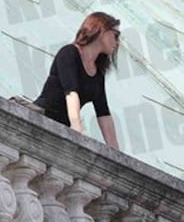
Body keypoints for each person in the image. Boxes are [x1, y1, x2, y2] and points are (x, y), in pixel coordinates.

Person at [33, 12, 121, 149]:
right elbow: (71, 92)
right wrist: (76, 129)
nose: (117, 42)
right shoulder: (69, 53)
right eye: (116, 35)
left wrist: (116, 152)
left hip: (61, 128)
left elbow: (103, 113)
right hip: (42, 119)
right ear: (102, 30)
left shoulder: (98, 71)